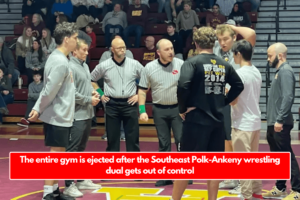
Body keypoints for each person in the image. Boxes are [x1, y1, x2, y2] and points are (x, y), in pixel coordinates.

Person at [171, 26, 244, 200]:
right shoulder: (224, 64)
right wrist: (223, 102)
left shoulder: (192, 62)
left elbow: (183, 85)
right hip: (217, 122)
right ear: (214, 43)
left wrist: (182, 108)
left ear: (196, 43)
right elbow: (238, 85)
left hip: (196, 120)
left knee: (186, 165)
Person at [28, 22, 79, 200]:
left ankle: (55, 189)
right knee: (56, 155)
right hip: (57, 114)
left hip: (60, 114)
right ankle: (47, 193)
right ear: (66, 40)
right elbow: (49, 91)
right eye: (75, 38)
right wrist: (37, 109)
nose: (77, 41)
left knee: (59, 153)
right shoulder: (59, 61)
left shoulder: (59, 58)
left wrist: (37, 108)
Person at [138, 39, 192, 187]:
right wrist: (142, 110)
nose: (171, 52)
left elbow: (190, 87)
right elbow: (142, 90)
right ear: (158, 52)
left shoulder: (181, 64)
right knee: (164, 144)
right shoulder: (149, 68)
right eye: (167, 49)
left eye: (172, 48)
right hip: (159, 109)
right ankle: (165, 175)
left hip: (178, 110)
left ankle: (185, 174)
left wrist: (188, 106)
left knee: (181, 142)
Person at [214, 23, 256, 192]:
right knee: (226, 139)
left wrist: (230, 26)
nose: (222, 42)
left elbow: (251, 33)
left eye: (226, 39)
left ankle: (242, 180)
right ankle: (231, 176)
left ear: (234, 38)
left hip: (238, 101)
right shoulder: (218, 51)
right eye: (220, 39)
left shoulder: (241, 51)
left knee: (236, 141)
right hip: (222, 101)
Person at [63, 39, 101, 198]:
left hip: (87, 114)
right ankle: (68, 184)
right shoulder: (70, 67)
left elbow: (84, 87)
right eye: (84, 50)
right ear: (74, 52)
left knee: (81, 149)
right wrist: (88, 99)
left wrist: (92, 93)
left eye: (87, 50)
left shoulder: (84, 65)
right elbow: (71, 92)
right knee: (72, 151)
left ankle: (80, 179)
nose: (87, 53)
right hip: (75, 115)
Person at [91, 37, 143, 152]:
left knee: (133, 140)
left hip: (130, 102)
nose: (123, 50)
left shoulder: (135, 64)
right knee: (112, 140)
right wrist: (101, 94)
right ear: (112, 50)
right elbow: (91, 79)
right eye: (119, 48)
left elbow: (147, 80)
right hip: (111, 104)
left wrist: (139, 95)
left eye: (124, 48)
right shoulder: (104, 65)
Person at [262, 43, 300, 200]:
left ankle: (297, 190)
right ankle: (280, 187)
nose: (267, 59)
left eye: (270, 56)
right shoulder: (279, 72)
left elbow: (288, 97)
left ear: (280, 55)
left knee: (286, 156)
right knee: (278, 158)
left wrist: (279, 120)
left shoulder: (285, 71)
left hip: (280, 122)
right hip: (274, 122)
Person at [230, 40, 263, 200]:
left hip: (242, 123)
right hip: (255, 121)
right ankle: (256, 192)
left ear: (238, 54)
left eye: (233, 54)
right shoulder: (256, 71)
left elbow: (233, 100)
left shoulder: (239, 74)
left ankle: (247, 196)